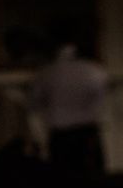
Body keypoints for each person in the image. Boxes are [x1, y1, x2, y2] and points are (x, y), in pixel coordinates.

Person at [29, 29, 109, 178]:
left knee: (63, 182)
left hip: (63, 134)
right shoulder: (94, 70)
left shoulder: (46, 72)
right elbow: (100, 100)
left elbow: (35, 104)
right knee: (92, 182)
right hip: (85, 132)